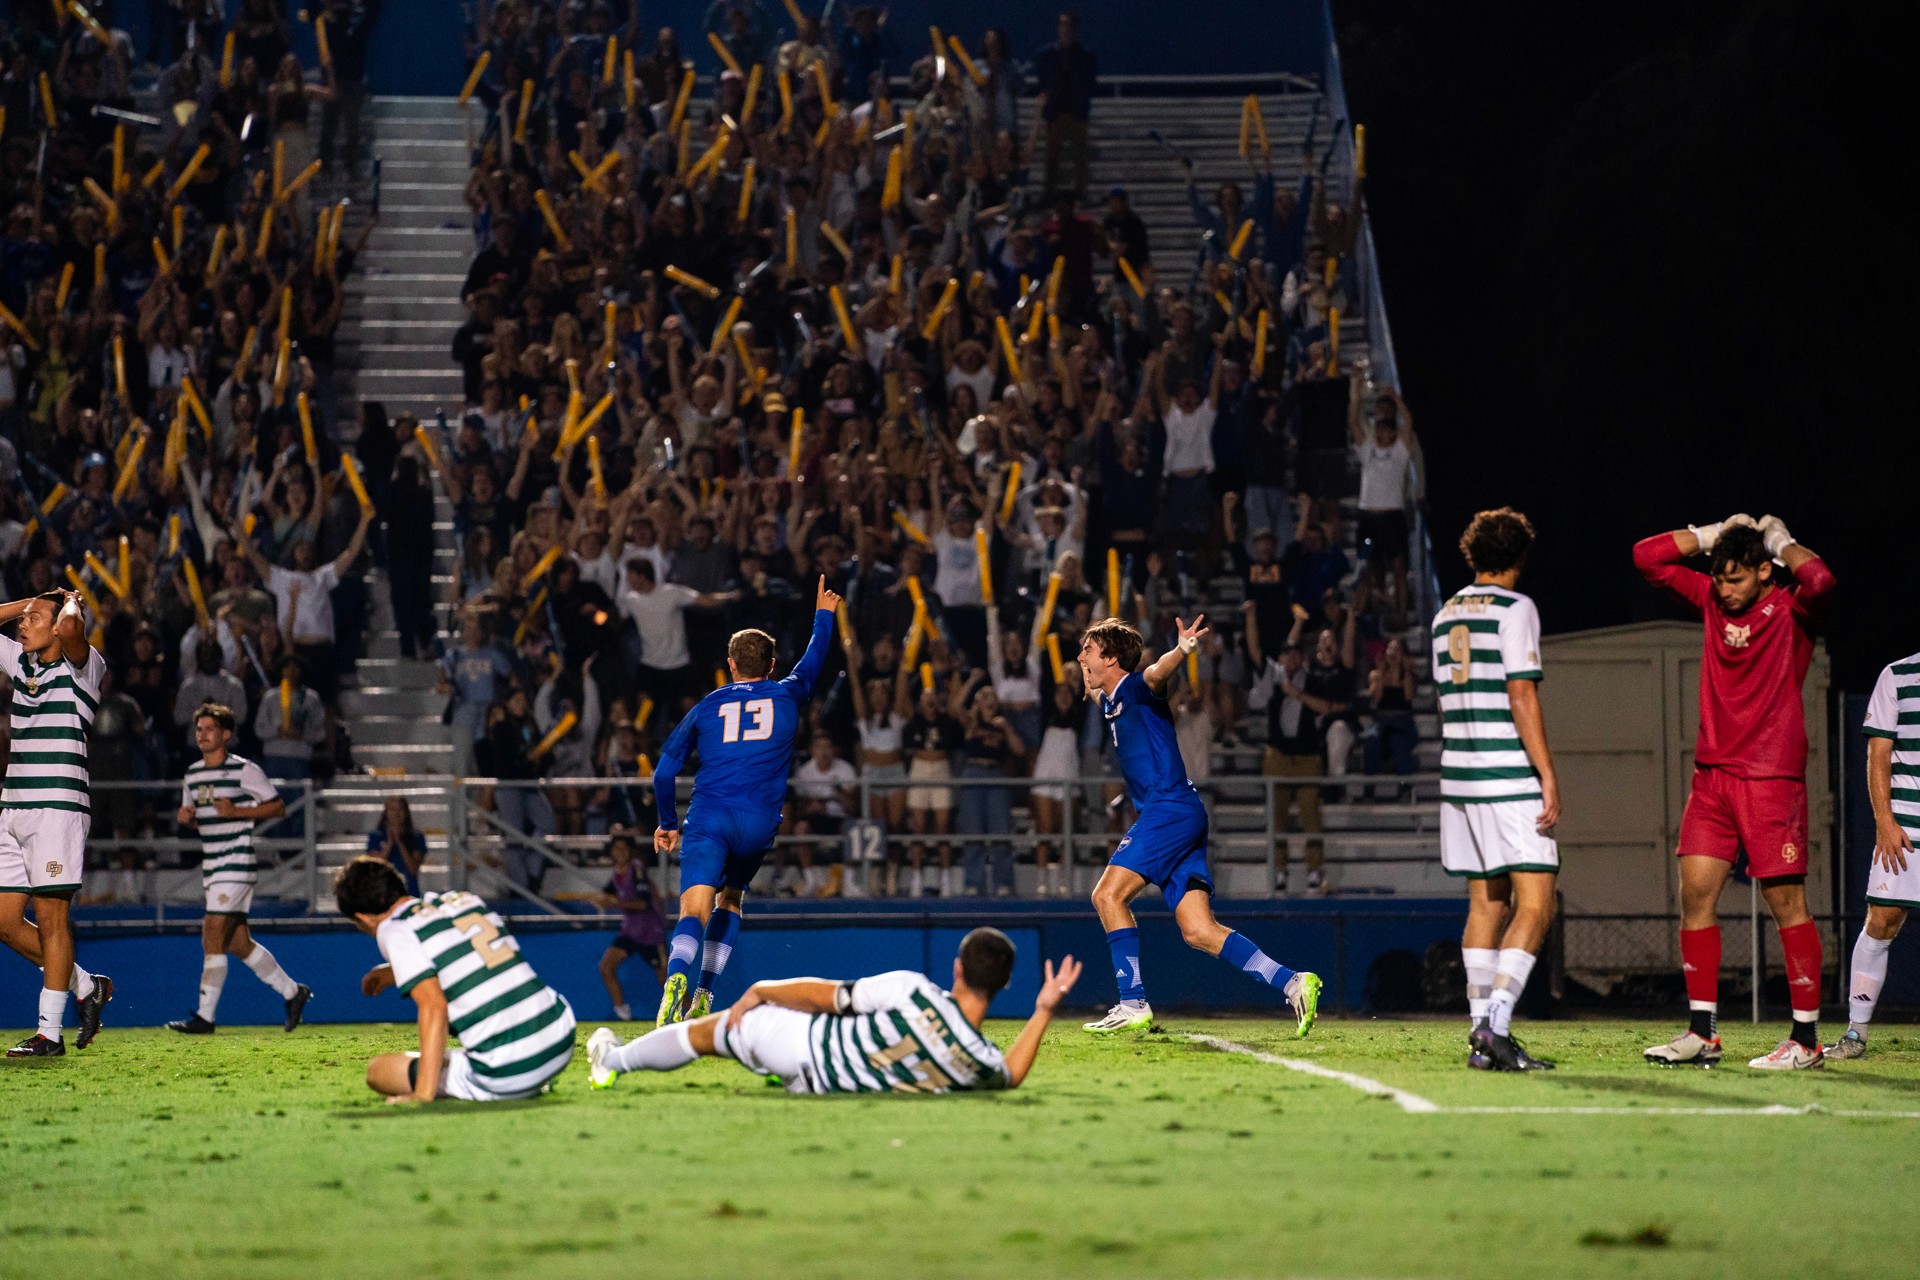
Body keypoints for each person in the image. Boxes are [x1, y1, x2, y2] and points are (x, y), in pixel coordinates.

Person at [1634, 515, 1835, 1069]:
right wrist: (1713, 531)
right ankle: (1703, 1033)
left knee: (1786, 904)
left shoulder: (1792, 609)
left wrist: (1778, 538)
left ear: (1764, 572)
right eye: (1719, 579)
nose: (1725, 589)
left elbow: (1820, 581)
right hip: (1713, 777)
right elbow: (1646, 556)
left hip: (1771, 777)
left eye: (1737, 579)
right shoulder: (1711, 600)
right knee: (1695, 896)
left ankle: (1806, 1040)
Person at [1076, 617, 1322, 1036]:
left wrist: (1183, 650)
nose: (1080, 656)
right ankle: (1294, 982)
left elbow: (1156, 672)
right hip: (1182, 813)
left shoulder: (1136, 686)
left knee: (1107, 895)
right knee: (1199, 931)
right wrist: (1091, 681)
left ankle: (1132, 1002)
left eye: (1088, 650)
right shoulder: (1110, 699)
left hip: (1168, 811)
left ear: (1112, 659)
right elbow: (1102, 687)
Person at [652, 577, 841, 1027]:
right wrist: (824, 614)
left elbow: (663, 772)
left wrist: (667, 823)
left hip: (710, 817)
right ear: (772, 665)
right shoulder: (789, 692)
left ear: (731, 665)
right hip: (758, 823)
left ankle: (675, 978)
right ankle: (703, 994)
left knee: (692, 910)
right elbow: (816, 656)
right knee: (731, 901)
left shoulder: (708, 704)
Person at [588, 927, 1082, 1094]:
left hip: (800, 1047)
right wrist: (1042, 1009)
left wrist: (763, 988)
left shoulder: (913, 991)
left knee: (707, 1034)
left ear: (957, 969)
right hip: (829, 1085)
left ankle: (610, 1063)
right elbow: (1011, 1074)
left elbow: (828, 997)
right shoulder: (979, 1062)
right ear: (1003, 985)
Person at [1432, 510, 1561, 1072]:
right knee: (1537, 901)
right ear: (1520, 557)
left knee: (1487, 902)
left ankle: (1479, 1031)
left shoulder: (1444, 613)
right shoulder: (1517, 608)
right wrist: (1547, 773)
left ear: (1472, 555)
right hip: (1507, 776)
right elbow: (1521, 696)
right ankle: (1498, 1027)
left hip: (1458, 776)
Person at [337, 856, 576, 1104]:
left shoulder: (394, 928)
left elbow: (434, 1006)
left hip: (509, 1069)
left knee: (379, 1070)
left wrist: (422, 1094)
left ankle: (522, 1078)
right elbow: (467, 956)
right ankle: (536, 1072)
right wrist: (393, 972)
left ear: (363, 917)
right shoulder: (462, 899)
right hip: (560, 1036)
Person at [0, 591, 115, 1055]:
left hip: (59, 810)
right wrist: (33, 600)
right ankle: (86, 986)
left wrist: (68, 601)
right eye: (21, 620)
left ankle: (49, 1033)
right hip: (12, 808)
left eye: (33, 620)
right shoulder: (21, 665)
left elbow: (70, 629)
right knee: (5, 922)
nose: (21, 625)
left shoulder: (84, 668)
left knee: (51, 919)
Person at [167, 703, 313, 1035]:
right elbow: (193, 813)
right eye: (199, 729)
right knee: (237, 943)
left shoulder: (244, 770)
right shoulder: (192, 774)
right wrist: (185, 818)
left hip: (237, 862)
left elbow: (277, 807)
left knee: (211, 934)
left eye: (209, 729)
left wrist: (237, 812)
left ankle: (205, 1017)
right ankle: (293, 992)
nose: (202, 734)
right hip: (213, 865)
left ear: (226, 735)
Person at [1830, 649, 1920, 1059]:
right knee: (1882, 921)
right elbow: (1878, 754)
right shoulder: (1898, 674)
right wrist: (1884, 822)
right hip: (1907, 827)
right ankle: (1856, 1035)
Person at [596, 830, 667, 1022]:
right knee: (606, 966)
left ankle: (694, 1015)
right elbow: (609, 892)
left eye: (624, 849)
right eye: (616, 848)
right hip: (630, 931)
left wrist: (613, 903)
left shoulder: (637, 869)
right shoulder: (616, 872)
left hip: (650, 933)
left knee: (667, 981)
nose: (619, 852)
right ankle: (623, 1014)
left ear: (631, 852)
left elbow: (644, 904)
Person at [367, 796, 427, 898]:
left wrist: (399, 842)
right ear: (386, 813)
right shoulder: (375, 837)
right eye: (392, 809)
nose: (396, 814)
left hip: (409, 893)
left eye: (400, 809)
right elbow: (375, 866)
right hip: (382, 894)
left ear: (406, 812)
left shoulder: (417, 837)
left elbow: (413, 869)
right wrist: (390, 843)